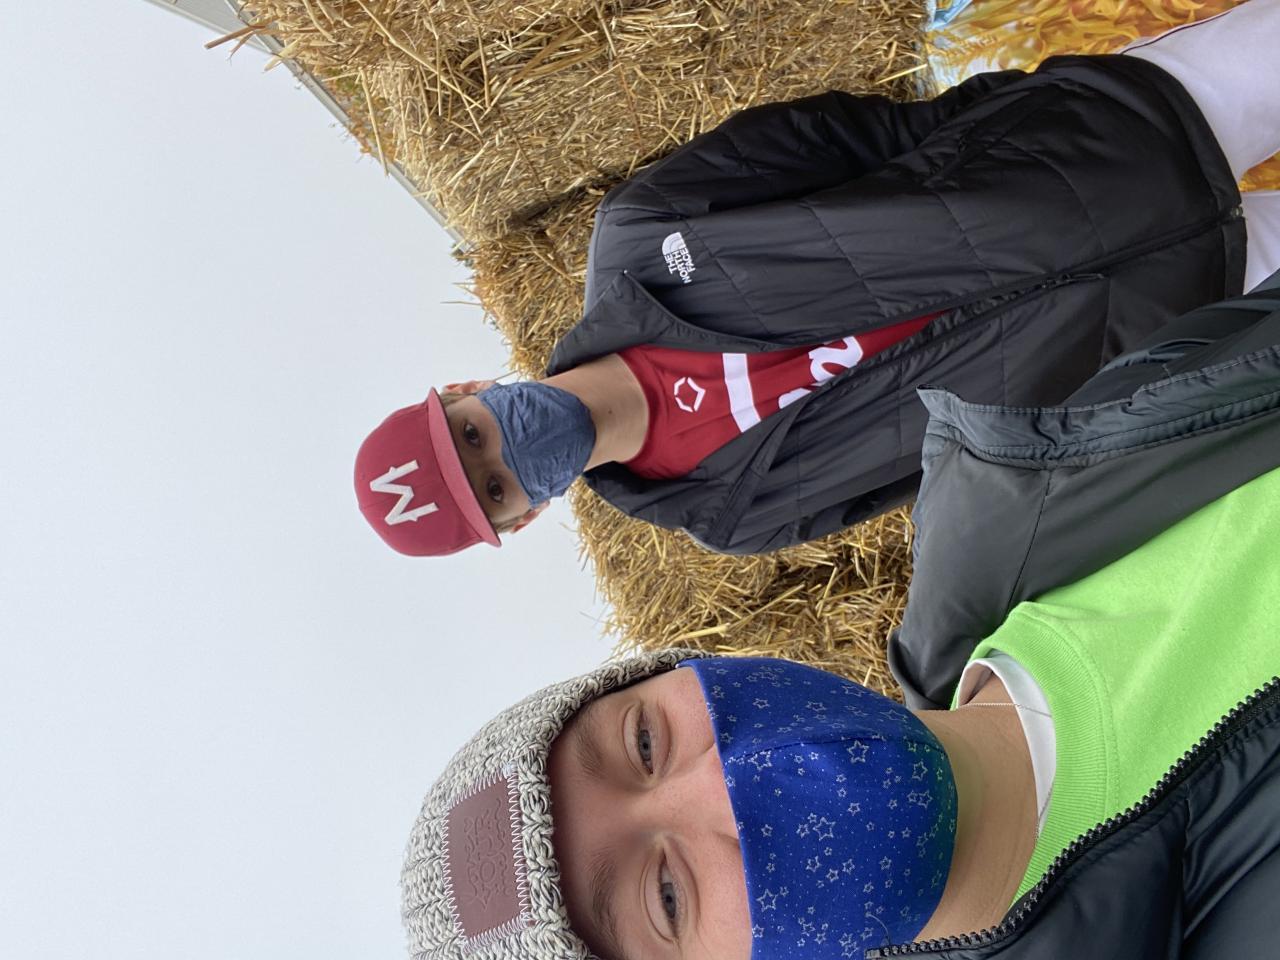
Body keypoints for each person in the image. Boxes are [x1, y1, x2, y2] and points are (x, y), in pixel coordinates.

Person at [399, 267, 1280, 958]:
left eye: (645, 742)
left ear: (679, 666)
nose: (721, 782)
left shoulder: (1037, 469)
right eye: (666, 896)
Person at [356, 1, 1280, 558]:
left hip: (1117, 134)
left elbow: (846, 135)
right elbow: (953, 461)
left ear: (468, 387)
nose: (508, 455)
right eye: (496, 489)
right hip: (1178, 313)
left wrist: (1015, 135)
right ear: (523, 521)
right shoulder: (733, 514)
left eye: (473, 435)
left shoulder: (640, 233)